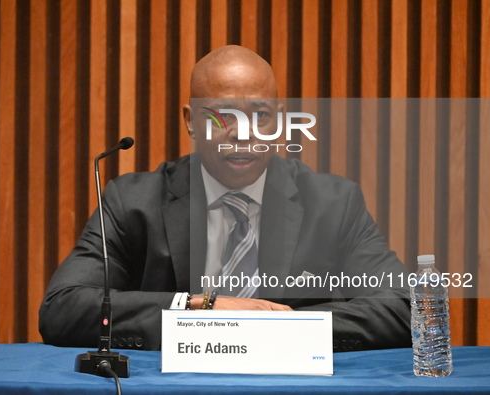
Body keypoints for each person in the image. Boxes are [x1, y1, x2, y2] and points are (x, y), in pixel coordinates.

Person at [39, 45, 410, 352]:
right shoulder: (133, 202)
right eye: (221, 116)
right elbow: (64, 309)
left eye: (259, 115)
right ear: (190, 121)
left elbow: (403, 307)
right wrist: (197, 307)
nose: (242, 133)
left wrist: (278, 327)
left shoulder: (331, 204)